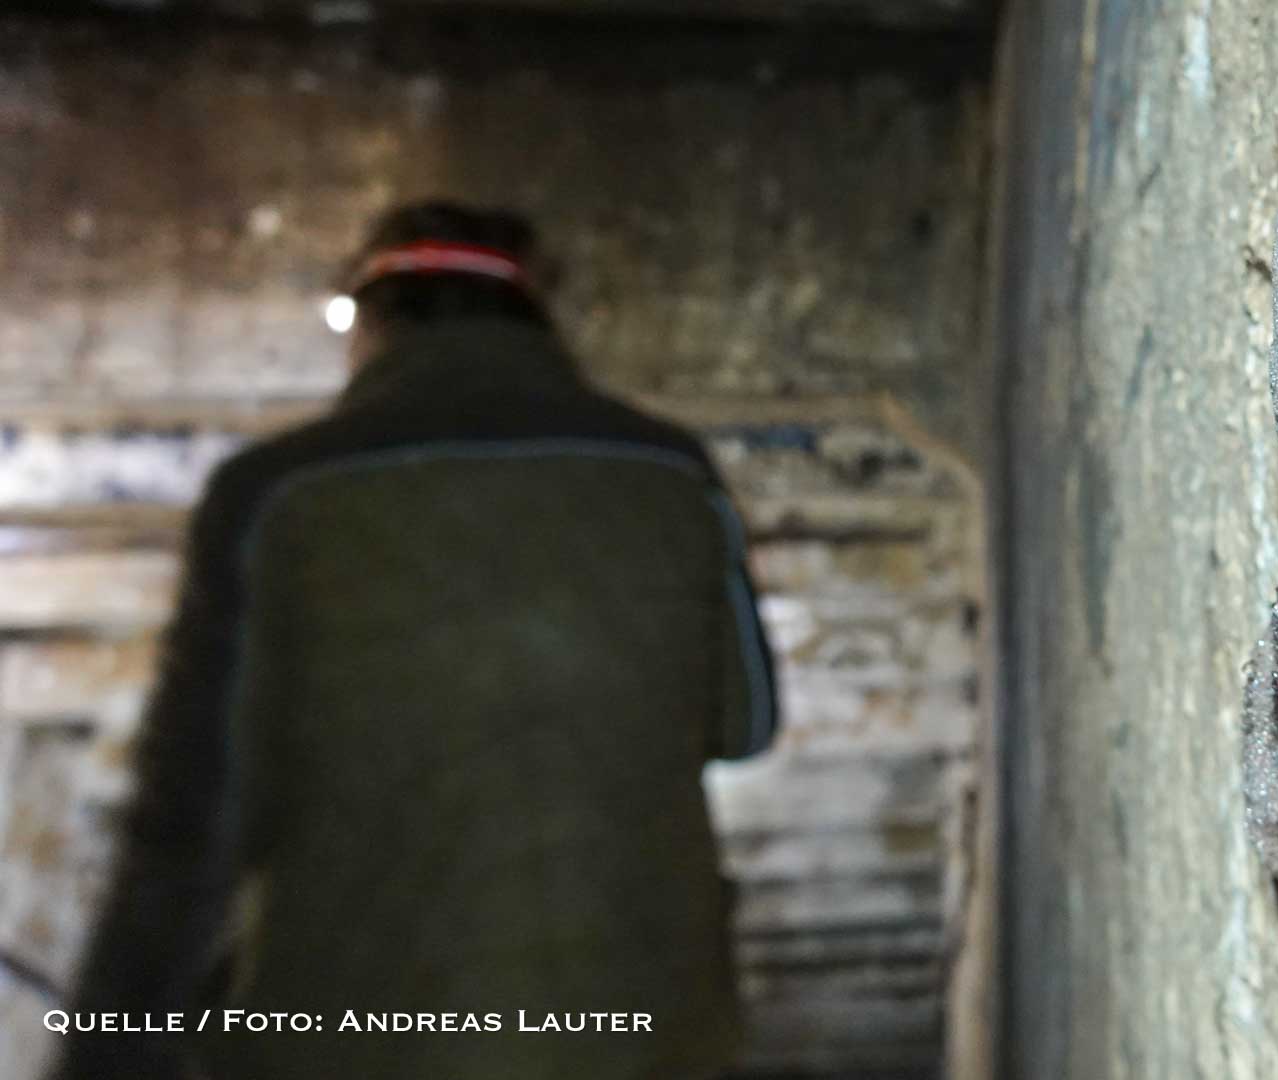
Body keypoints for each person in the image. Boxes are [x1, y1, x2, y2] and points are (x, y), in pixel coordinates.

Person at [53, 203, 778, 1080]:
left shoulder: (279, 495)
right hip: (645, 1028)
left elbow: (194, 822)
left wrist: (110, 1050)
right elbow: (746, 723)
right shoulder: (672, 470)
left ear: (372, 323)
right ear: (537, 316)